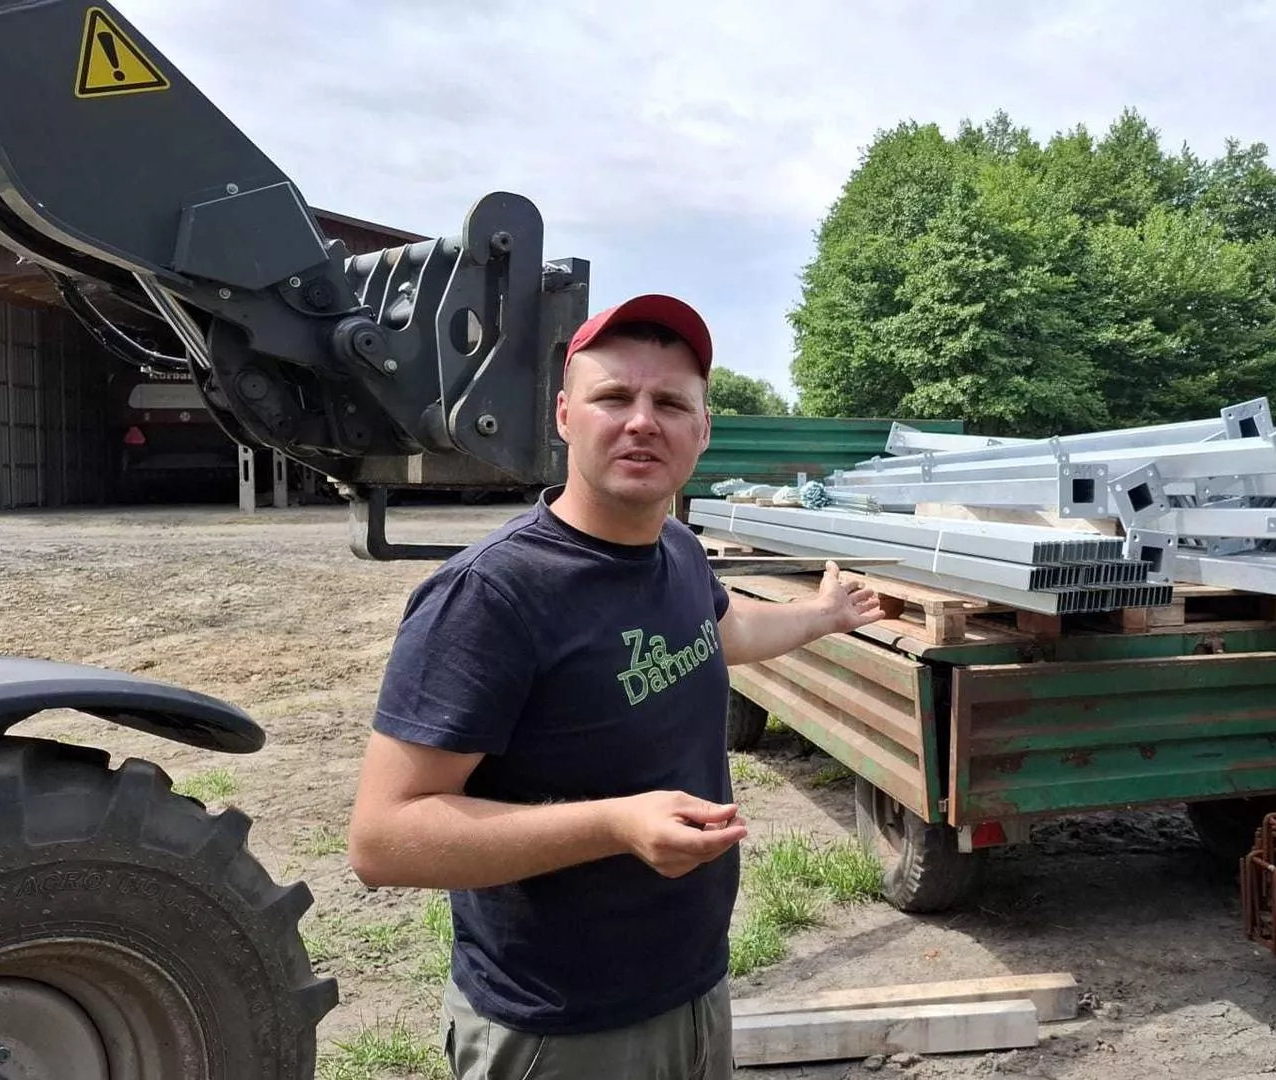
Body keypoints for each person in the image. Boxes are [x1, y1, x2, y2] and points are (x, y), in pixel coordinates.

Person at [347, 293, 883, 1079]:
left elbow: (724, 634)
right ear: (565, 416)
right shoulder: (492, 595)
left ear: (703, 430)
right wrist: (614, 826)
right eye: (613, 397)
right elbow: (382, 839)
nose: (642, 421)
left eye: (671, 403)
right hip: (561, 1029)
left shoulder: (678, 550)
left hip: (695, 987)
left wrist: (824, 614)